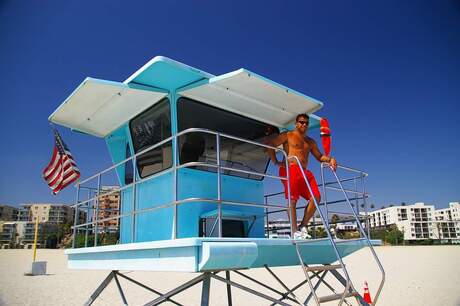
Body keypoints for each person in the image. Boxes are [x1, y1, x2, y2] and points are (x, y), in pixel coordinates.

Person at [268, 113, 337, 239]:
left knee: (316, 197)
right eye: (301, 122)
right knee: (292, 200)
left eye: (306, 122)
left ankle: (303, 225)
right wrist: (275, 161)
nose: (303, 124)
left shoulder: (310, 142)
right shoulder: (288, 135)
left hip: (304, 171)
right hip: (290, 169)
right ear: (296, 123)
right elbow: (271, 145)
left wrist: (330, 159)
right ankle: (294, 231)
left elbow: (320, 157)